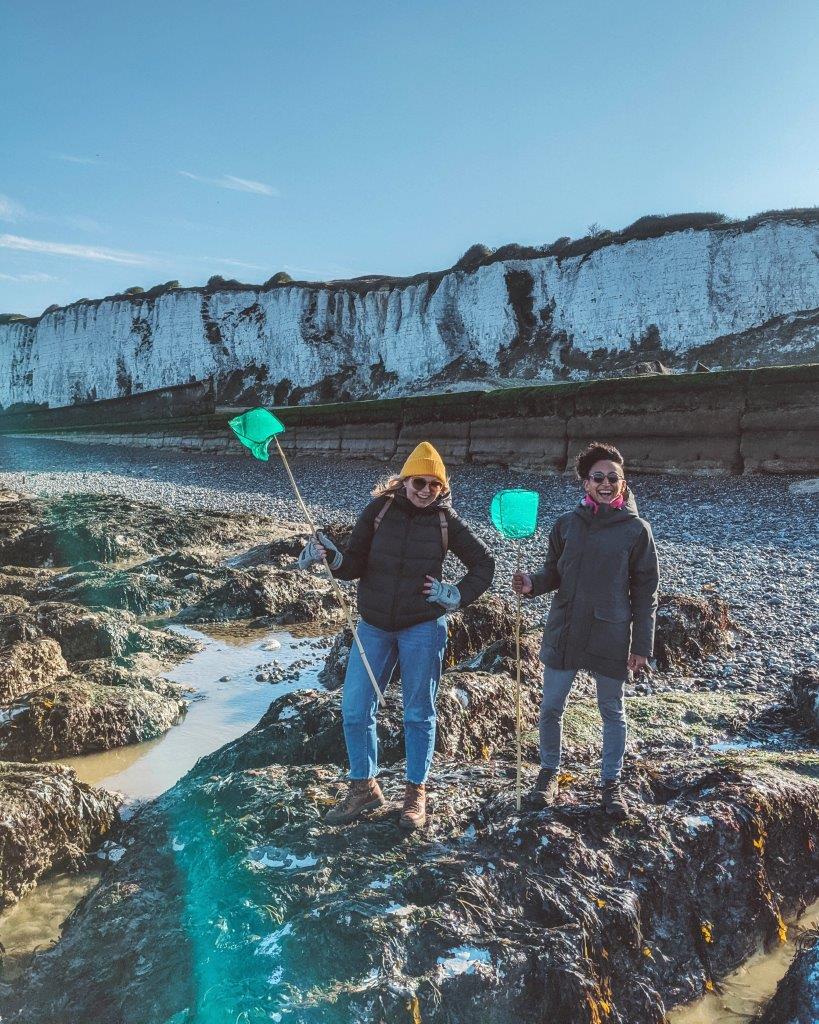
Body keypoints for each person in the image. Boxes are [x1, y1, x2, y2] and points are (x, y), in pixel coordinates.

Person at [298, 441, 495, 830]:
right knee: (355, 709)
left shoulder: (446, 521)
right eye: (418, 482)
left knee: (419, 713)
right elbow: (354, 563)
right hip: (372, 626)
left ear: (442, 489)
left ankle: (415, 794)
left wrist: (454, 596)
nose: (425, 491)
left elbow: (484, 565)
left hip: (423, 627)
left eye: (433, 485)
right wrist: (333, 558)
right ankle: (364, 787)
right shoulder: (379, 510)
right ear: (404, 481)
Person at [512, 441, 659, 819]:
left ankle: (611, 783)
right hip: (565, 628)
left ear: (623, 484)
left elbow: (646, 593)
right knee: (550, 708)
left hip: (611, 633)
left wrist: (641, 645)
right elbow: (553, 572)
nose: (606, 483)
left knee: (611, 710)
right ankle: (547, 774)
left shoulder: (636, 531)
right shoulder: (566, 525)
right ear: (586, 482)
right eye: (599, 477)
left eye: (614, 478)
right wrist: (532, 583)